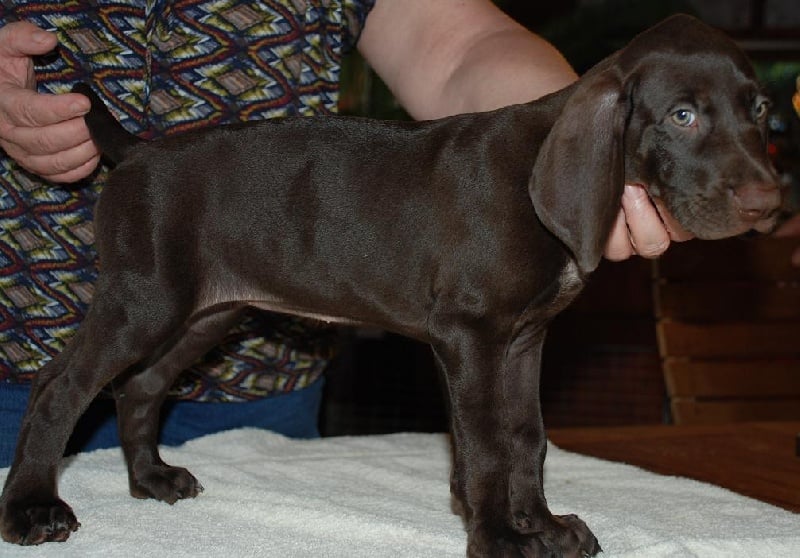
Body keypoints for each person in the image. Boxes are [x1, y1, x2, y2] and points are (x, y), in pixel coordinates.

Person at [0, 0, 681, 468]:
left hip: (268, 389)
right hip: (20, 340)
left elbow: (458, 46)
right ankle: (32, 477)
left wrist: (580, 143)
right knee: (121, 335)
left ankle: (138, 455)